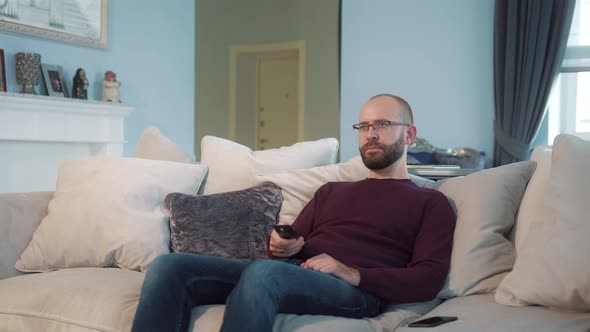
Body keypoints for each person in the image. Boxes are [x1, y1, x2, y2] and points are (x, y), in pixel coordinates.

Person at [131, 94, 456, 332]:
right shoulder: (332, 190)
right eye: (364, 126)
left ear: (409, 134)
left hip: (356, 292)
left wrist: (350, 271)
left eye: (382, 125)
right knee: (170, 266)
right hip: (293, 274)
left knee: (264, 273)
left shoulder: (430, 202)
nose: (370, 134)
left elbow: (427, 280)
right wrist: (283, 245)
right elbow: (284, 250)